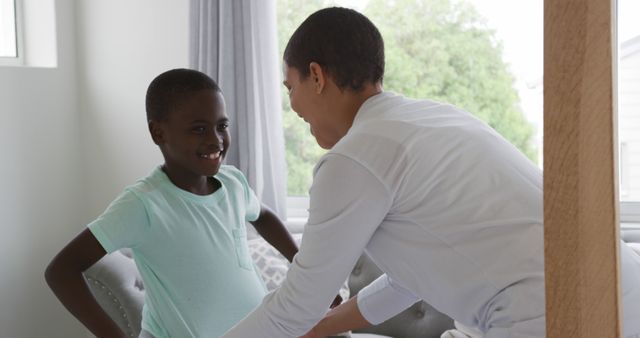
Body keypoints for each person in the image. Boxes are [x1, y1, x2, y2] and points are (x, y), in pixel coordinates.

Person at [221, 7, 640, 338]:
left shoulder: (354, 159)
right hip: (620, 289)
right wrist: (323, 326)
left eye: (289, 86)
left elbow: (297, 303)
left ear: (316, 76)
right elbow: (409, 281)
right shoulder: (433, 119)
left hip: (556, 310)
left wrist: (302, 321)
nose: (292, 106)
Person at [44, 68, 301, 338]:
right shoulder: (144, 204)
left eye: (222, 126)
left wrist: (301, 268)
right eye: (199, 129)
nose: (215, 139)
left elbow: (263, 216)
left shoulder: (233, 182)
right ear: (158, 133)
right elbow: (61, 271)